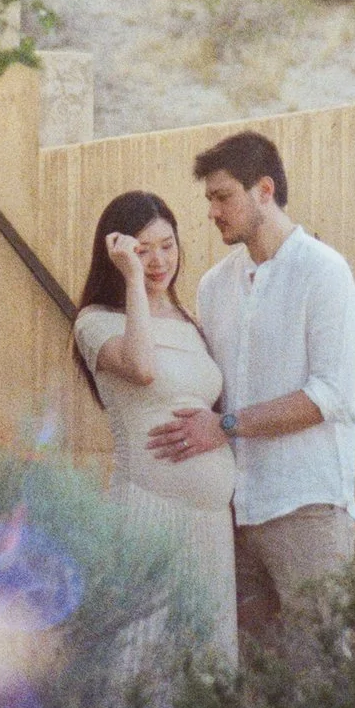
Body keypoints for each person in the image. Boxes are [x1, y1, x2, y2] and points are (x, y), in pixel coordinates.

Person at [147, 131, 355, 645]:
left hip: (307, 509)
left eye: (223, 197)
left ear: (264, 190)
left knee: (321, 674)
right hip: (233, 513)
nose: (212, 212)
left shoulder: (324, 273)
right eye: (209, 200)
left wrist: (225, 426)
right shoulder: (214, 286)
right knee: (248, 682)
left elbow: (328, 396)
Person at [71, 190, 239, 665]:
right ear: (119, 256)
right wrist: (132, 279)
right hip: (148, 513)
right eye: (143, 251)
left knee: (205, 661)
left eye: (168, 245)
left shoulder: (189, 322)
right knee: (143, 663)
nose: (159, 261)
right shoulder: (95, 323)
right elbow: (142, 367)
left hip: (209, 523)